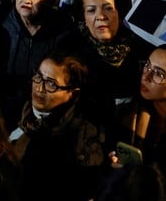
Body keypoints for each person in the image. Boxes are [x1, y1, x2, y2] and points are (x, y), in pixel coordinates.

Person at [9, 51, 108, 200]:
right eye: (38, 77)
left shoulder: (81, 135)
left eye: (51, 84)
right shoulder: (15, 107)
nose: (39, 88)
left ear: (72, 93)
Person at [112, 44, 166, 187]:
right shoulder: (128, 110)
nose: (146, 76)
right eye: (147, 65)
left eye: (159, 74)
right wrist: (117, 169)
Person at [0, 0, 74, 129]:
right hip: (3, 108)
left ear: (49, 1)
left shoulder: (64, 31)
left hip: (44, 114)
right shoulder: (3, 24)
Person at [67, 0, 153, 121]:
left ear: (119, 13)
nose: (101, 16)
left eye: (108, 8)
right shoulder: (71, 50)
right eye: (91, 10)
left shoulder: (141, 47)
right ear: (84, 19)